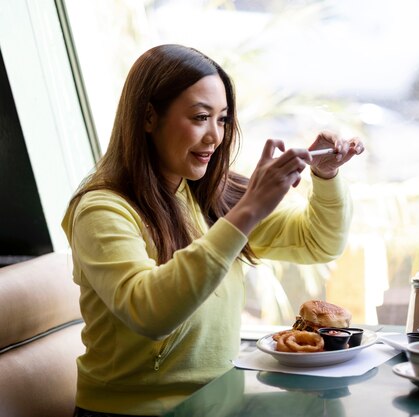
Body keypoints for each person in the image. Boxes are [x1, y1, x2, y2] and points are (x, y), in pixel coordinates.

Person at [62, 43, 364, 417]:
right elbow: (149, 312)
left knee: (328, 410)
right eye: (200, 117)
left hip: (219, 400)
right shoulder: (101, 209)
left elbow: (318, 243)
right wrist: (249, 210)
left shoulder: (209, 197)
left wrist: (325, 175)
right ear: (148, 118)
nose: (215, 137)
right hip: (137, 411)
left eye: (222, 119)